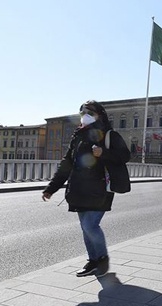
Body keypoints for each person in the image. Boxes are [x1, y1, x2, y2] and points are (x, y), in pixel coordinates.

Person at [42, 100, 130, 277]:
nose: (85, 116)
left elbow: (125, 155)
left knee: (90, 225)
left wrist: (103, 153)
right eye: (82, 112)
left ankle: (102, 259)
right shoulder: (78, 136)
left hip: (100, 189)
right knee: (85, 227)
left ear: (100, 114)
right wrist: (52, 188)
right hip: (79, 189)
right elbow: (67, 164)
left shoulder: (108, 134)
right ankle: (93, 261)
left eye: (89, 112)